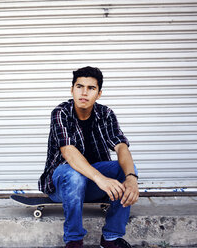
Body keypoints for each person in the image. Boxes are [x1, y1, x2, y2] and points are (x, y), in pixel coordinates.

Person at [38, 66, 139, 248]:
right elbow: (68, 151)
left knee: (126, 170)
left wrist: (132, 178)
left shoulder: (105, 114)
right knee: (74, 175)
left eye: (91, 88)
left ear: (99, 94)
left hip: (92, 184)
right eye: (79, 86)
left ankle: (111, 238)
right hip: (62, 184)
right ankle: (74, 240)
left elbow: (121, 146)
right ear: (72, 90)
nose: (84, 93)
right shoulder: (61, 113)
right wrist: (100, 179)